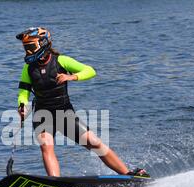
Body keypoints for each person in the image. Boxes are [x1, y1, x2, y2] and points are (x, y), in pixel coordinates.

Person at [15, 27, 149, 178]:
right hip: (42, 114)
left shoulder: (62, 61)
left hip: (64, 113)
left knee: (94, 143)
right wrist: (22, 106)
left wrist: (71, 77)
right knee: (46, 147)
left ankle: (128, 174)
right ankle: (55, 183)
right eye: (26, 48)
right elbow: (23, 93)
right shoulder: (28, 68)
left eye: (31, 47)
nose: (28, 51)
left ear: (43, 43)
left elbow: (90, 70)